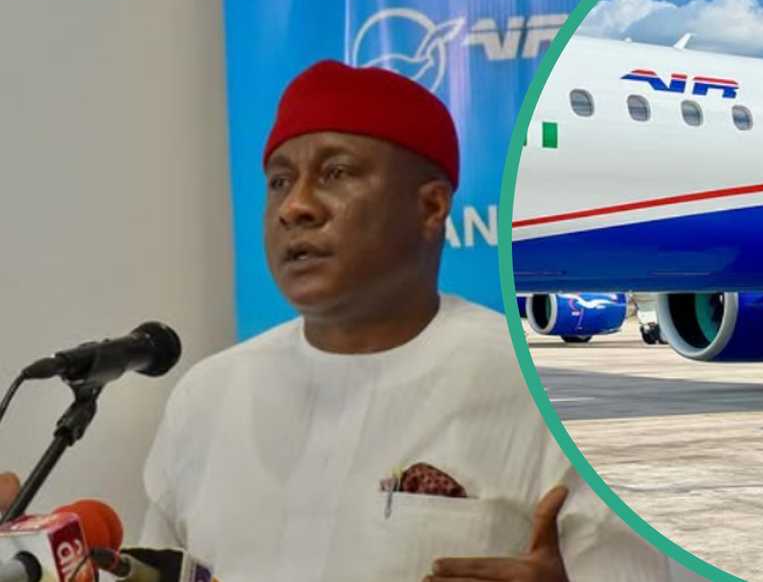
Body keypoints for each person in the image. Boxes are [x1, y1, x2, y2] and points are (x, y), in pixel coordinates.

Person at [2, 62, 668, 581]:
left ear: (432, 207)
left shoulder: (552, 392)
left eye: (337, 173)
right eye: (278, 181)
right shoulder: (207, 396)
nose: (295, 207)